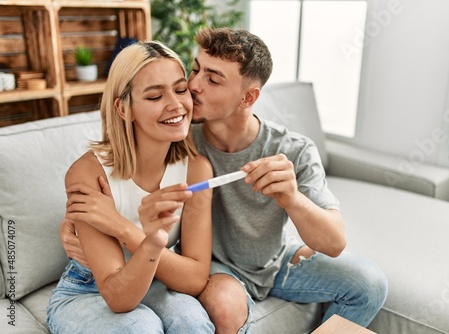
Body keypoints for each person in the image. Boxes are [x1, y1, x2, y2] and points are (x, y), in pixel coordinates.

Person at [61, 28, 388, 333]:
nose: (192, 86)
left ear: (248, 98)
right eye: (195, 70)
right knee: (218, 308)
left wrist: (292, 198)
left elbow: (334, 242)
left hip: (271, 259)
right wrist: (76, 222)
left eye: (212, 79)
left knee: (369, 284)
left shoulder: (289, 150)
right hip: (214, 267)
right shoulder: (178, 133)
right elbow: (125, 139)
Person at [47, 41, 215, 334]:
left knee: (193, 324)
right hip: (90, 288)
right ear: (123, 109)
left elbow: (195, 278)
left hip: (157, 276)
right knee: (140, 328)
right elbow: (118, 297)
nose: (175, 105)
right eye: (154, 96)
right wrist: (149, 240)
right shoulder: (88, 174)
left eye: (180, 89)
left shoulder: (196, 168)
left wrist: (122, 228)